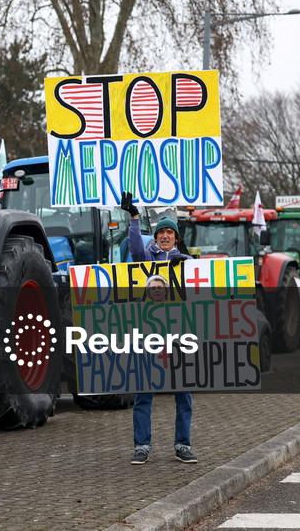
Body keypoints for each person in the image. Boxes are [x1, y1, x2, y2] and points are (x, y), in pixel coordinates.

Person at [120, 191, 196, 465]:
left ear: (176, 238)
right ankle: (142, 445)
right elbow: (135, 247)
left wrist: (184, 264)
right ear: (155, 237)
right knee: (143, 393)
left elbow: (203, 283)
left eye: (169, 233)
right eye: (161, 232)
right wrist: (134, 218)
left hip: (177, 338)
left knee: (184, 395)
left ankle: (182, 445)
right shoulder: (145, 257)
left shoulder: (185, 261)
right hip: (148, 336)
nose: (165, 236)